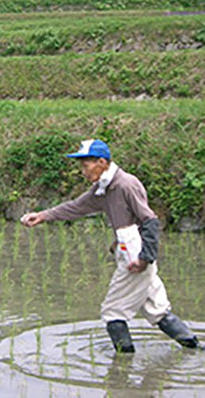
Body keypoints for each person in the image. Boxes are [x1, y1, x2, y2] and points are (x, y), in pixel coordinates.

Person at [20, 139, 201, 353]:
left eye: (86, 165)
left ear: (102, 162)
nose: (83, 171)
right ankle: (196, 349)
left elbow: (150, 221)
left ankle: (123, 366)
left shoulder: (126, 184)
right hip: (129, 250)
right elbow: (76, 207)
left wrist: (145, 258)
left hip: (136, 256)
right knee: (157, 310)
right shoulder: (103, 189)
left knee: (112, 312)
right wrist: (42, 216)